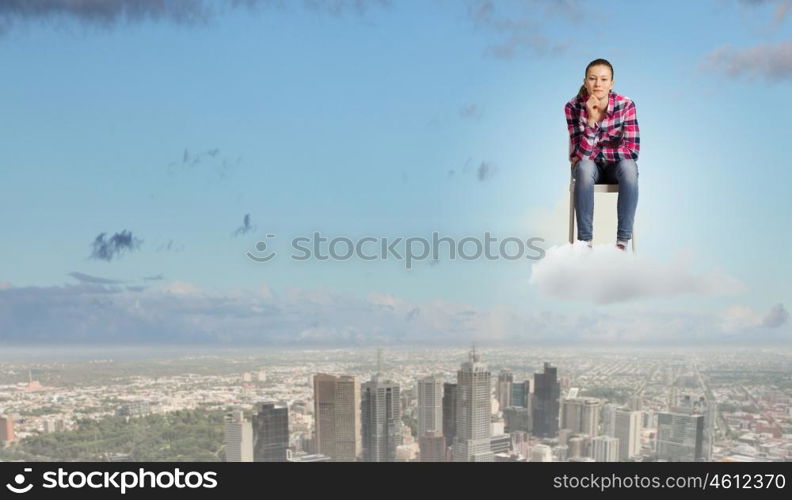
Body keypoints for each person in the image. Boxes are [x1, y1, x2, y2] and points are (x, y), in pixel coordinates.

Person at [564, 58, 639, 250]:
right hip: (588, 171)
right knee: (584, 167)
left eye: (604, 79)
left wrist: (594, 152)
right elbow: (582, 159)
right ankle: (585, 243)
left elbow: (632, 151)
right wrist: (591, 119)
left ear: (611, 83)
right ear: (585, 81)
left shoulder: (626, 105)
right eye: (593, 78)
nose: (598, 84)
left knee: (629, 167)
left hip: (617, 169)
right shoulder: (572, 107)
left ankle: (622, 244)